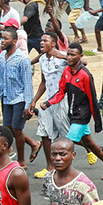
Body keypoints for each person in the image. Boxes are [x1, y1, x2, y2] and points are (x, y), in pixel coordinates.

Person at [41, 43, 103, 180]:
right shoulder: (66, 71)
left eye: (73, 55)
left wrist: (97, 122)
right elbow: (61, 92)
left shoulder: (85, 75)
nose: (69, 57)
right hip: (72, 114)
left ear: (80, 56)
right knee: (88, 143)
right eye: (68, 54)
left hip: (82, 116)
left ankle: (63, 177)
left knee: (65, 146)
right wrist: (49, 103)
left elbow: (92, 99)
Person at [0, 29, 41, 171]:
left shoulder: (22, 59)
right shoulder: (2, 56)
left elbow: (27, 83)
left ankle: (21, 161)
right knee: (7, 129)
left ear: (14, 41)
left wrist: (28, 105)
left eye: (6, 39)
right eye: (2, 38)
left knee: (17, 130)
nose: (2, 41)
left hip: (20, 99)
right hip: (7, 98)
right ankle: (32, 144)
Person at [29, 32, 71, 179]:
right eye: (41, 40)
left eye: (45, 40)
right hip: (47, 102)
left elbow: (82, 63)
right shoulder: (41, 59)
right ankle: (50, 167)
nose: (41, 42)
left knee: (67, 135)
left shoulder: (62, 56)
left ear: (53, 44)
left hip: (62, 101)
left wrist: (63, 56)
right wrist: (34, 100)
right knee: (45, 133)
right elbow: (43, 82)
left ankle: (69, 168)